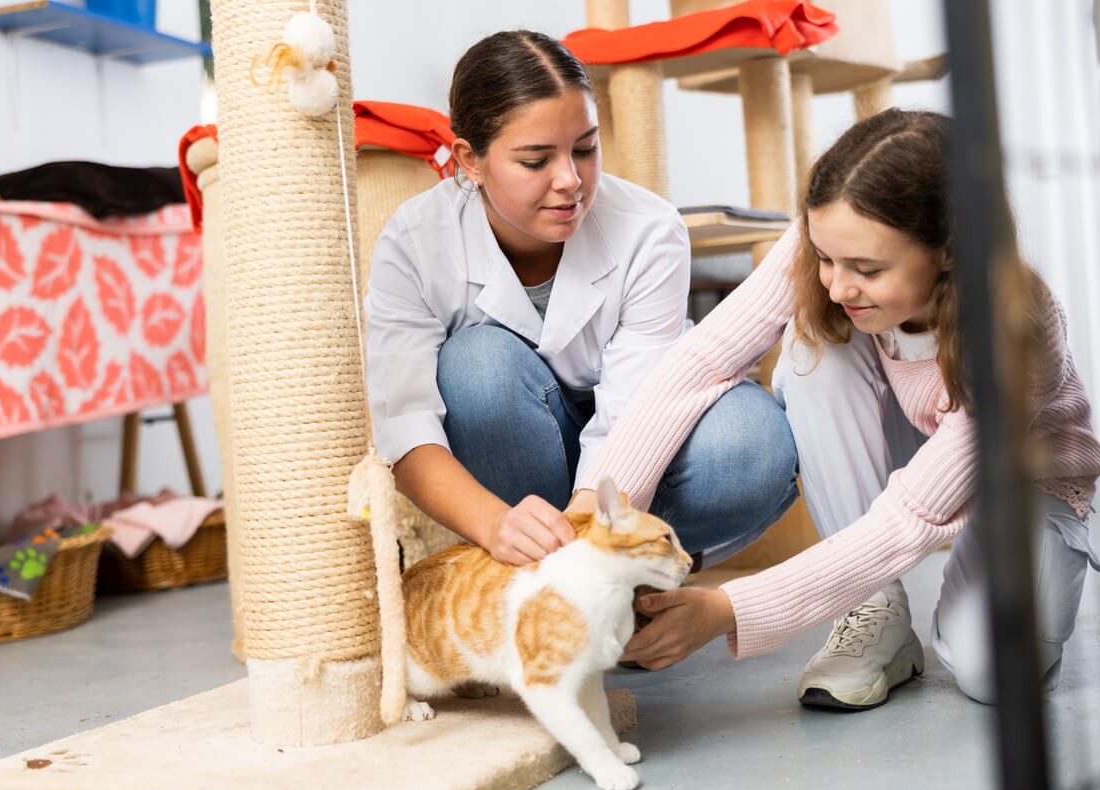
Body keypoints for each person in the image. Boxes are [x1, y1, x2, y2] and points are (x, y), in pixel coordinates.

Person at [571, 107, 1100, 708]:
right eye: (825, 258)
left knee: (990, 673)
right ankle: (873, 607)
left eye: (867, 269)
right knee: (810, 346)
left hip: (1024, 484)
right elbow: (704, 360)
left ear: (950, 250)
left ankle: (1031, 564)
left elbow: (908, 517)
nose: (837, 284)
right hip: (919, 446)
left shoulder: (1017, 333)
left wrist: (725, 609)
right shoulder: (838, 240)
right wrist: (597, 507)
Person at [365, 30, 798, 568]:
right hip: (523, 466)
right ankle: (562, 570)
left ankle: (633, 573)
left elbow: (637, 413)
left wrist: (595, 529)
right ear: (469, 161)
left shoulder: (649, 229)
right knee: (476, 367)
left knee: (751, 443)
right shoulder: (415, 241)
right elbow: (404, 427)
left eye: (586, 149)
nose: (570, 180)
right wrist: (494, 524)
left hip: (643, 446)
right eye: (535, 160)